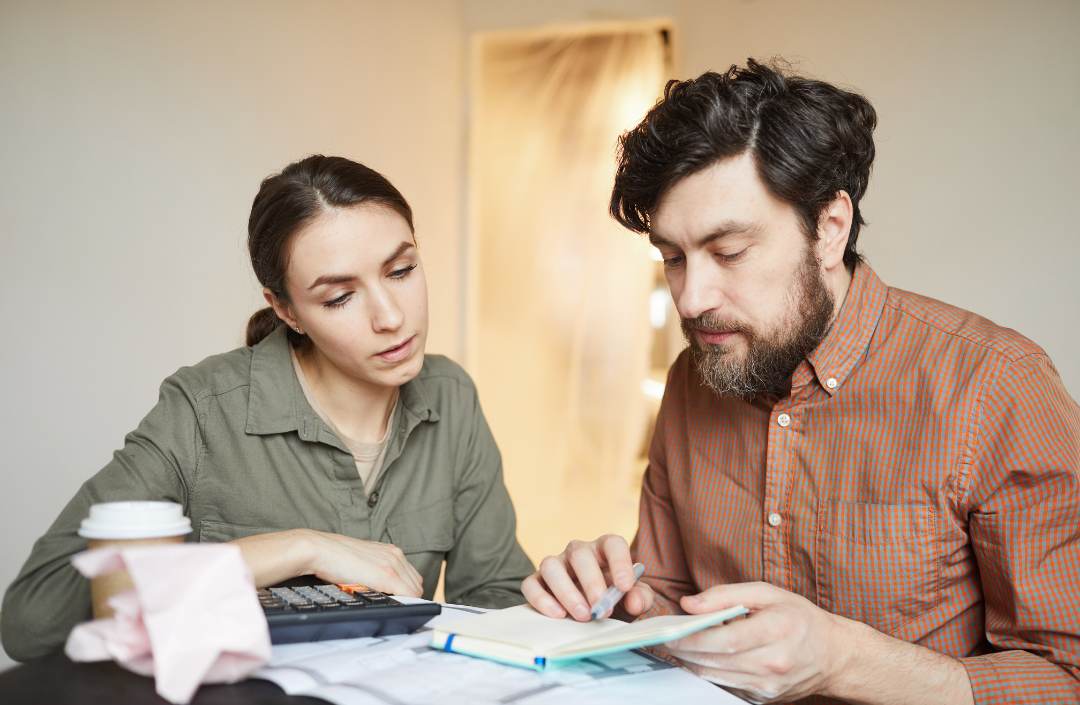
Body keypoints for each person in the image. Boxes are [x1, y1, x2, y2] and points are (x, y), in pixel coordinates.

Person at [522, 60, 1080, 704]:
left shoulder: (996, 387)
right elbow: (670, 614)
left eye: (728, 253)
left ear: (829, 229)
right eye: (672, 259)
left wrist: (843, 661)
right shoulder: (693, 376)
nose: (691, 298)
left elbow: (1066, 675)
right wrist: (612, 603)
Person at [2, 155, 534, 662]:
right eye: (339, 298)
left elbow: (495, 596)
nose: (391, 317)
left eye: (401, 270)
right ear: (286, 309)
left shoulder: (451, 394)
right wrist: (300, 549)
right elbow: (31, 619)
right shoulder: (203, 410)